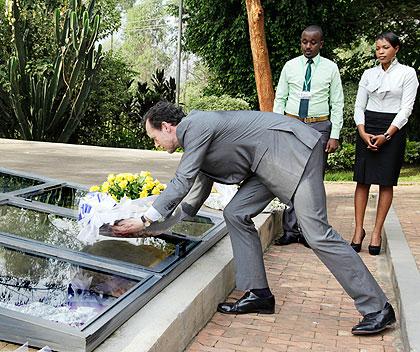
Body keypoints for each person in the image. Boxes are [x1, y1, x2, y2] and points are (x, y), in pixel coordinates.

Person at [113, 101, 395, 335]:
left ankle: (377, 307)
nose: (157, 144)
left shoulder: (195, 126)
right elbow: (191, 200)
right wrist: (150, 229)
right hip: (267, 165)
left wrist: (146, 219)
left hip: (294, 153)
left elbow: (182, 180)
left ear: (167, 126)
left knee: (317, 233)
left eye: (155, 138)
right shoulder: (196, 141)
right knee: (235, 213)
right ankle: (258, 294)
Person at [273, 25, 344, 247]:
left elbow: (337, 103)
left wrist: (334, 134)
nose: (308, 46)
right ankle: (290, 229)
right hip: (292, 124)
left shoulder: (331, 68)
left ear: (321, 44)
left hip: (318, 127)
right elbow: (280, 99)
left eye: (313, 42)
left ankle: (309, 231)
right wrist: (277, 127)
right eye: (304, 41)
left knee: (313, 180)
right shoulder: (290, 66)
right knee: (289, 177)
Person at [350, 31, 419, 255]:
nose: (380, 51)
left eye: (385, 47)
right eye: (378, 47)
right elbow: (359, 106)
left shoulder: (408, 74)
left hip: (393, 129)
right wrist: (362, 132)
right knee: (362, 180)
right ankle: (358, 230)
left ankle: (377, 232)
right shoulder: (368, 74)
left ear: (396, 49)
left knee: (385, 182)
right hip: (367, 126)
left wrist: (387, 136)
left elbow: (406, 110)